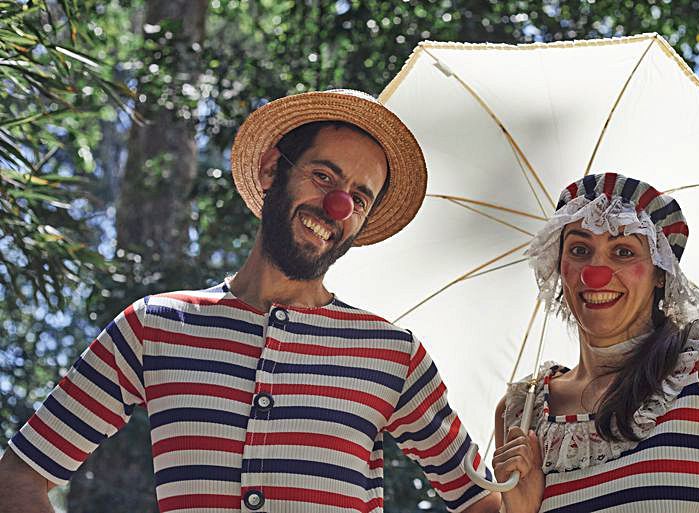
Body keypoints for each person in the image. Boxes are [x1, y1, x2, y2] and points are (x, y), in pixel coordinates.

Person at [0, 90, 501, 513]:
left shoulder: (394, 356)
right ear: (269, 169)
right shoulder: (152, 325)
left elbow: (483, 503)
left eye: (359, 198)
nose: (337, 206)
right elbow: (18, 476)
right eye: (324, 176)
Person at [490, 173, 699, 513]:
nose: (595, 272)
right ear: (558, 265)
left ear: (659, 272)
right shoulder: (521, 412)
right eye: (580, 249)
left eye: (623, 251)